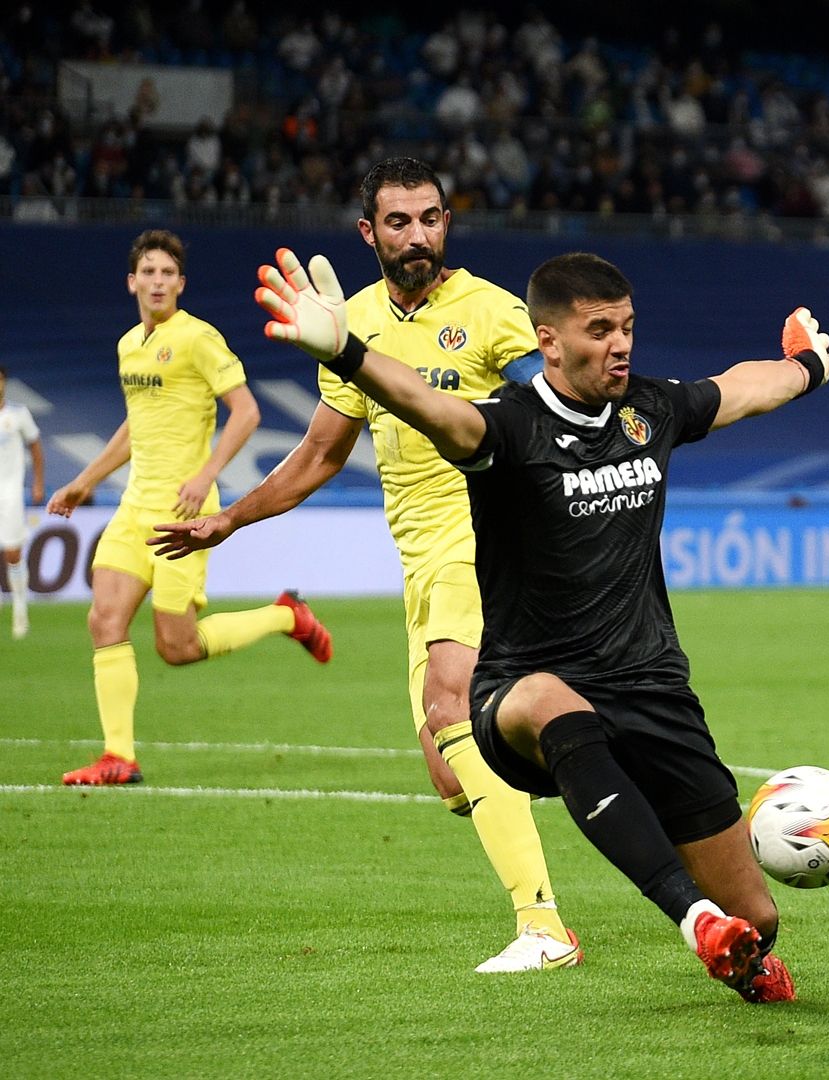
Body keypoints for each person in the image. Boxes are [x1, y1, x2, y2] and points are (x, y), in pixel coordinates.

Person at [253, 246, 829, 1002]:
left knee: (758, 917)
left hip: (654, 690)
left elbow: (736, 390)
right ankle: (692, 921)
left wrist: (806, 369)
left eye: (626, 326)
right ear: (550, 341)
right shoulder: (508, 430)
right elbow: (429, 406)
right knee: (548, 702)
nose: (620, 343)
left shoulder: (648, 412)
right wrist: (345, 350)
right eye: (599, 329)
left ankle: (737, 946)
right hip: (523, 695)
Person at [151, 159, 575, 974]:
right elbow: (316, 454)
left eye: (430, 219)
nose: (417, 235)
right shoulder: (348, 323)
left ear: (447, 222)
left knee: (452, 706)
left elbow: (550, 403)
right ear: (368, 233)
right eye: (399, 222)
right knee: (452, 772)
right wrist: (229, 520)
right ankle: (597, 746)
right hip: (421, 561)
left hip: (485, 541)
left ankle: (544, 927)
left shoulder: (491, 311)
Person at [47, 230, 332, 786]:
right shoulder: (129, 345)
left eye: (167, 273)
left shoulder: (200, 338)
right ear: (132, 282)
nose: (157, 282)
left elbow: (246, 412)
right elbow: (137, 424)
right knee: (104, 619)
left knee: (176, 648)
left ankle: (285, 616)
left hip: (183, 511)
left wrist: (206, 476)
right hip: (135, 508)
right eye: (147, 272)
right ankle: (118, 757)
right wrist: (84, 481)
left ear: (181, 283)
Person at [0, 365, 45, 638]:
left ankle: (20, 611)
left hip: (10, 492)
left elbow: (36, 448)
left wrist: (38, 482)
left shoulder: (18, 414)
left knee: (12, 554)